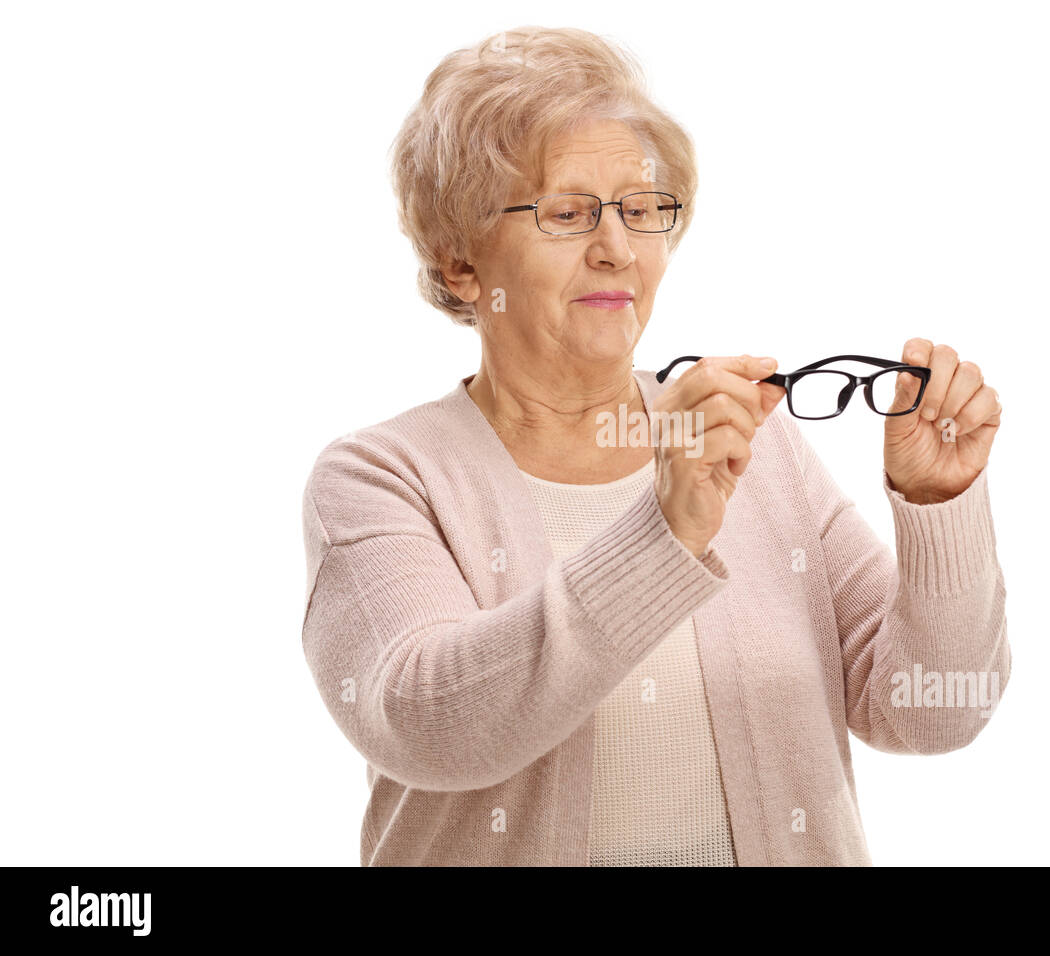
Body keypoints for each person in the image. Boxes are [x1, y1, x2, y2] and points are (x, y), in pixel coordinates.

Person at [300, 25, 1009, 866]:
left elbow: (930, 711)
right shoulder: (380, 477)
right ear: (461, 265)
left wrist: (938, 508)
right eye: (567, 214)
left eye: (642, 212)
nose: (617, 249)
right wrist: (663, 537)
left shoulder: (757, 444)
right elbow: (432, 724)